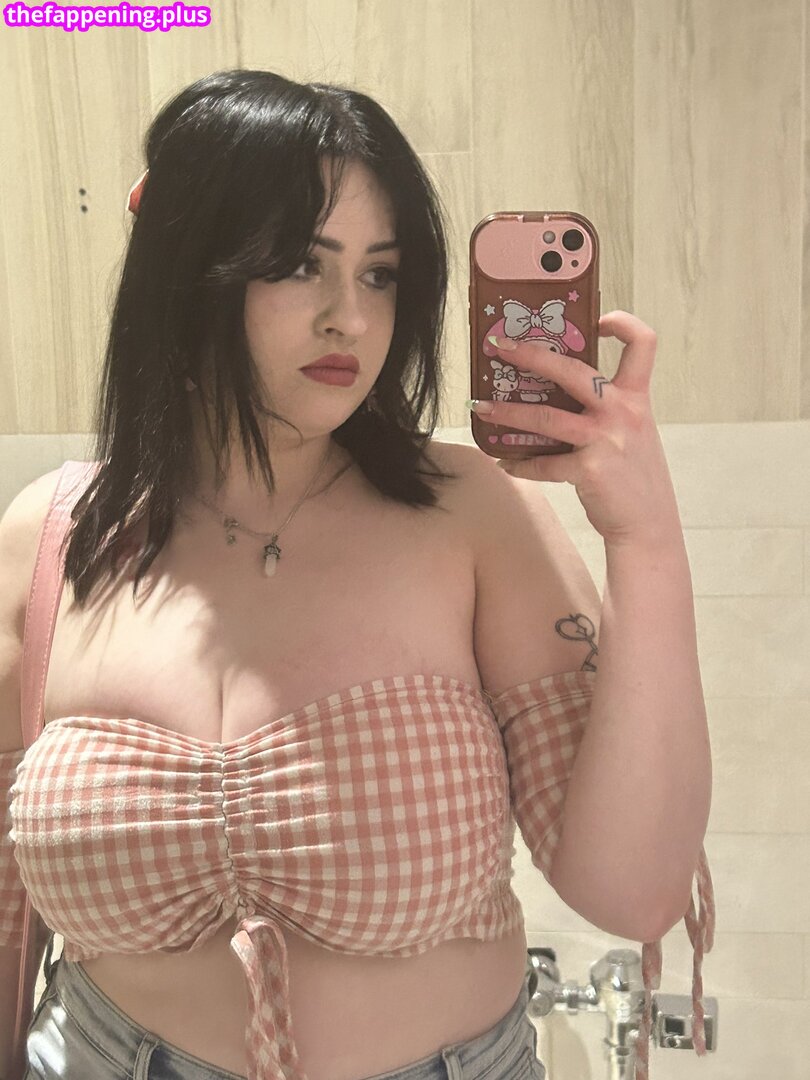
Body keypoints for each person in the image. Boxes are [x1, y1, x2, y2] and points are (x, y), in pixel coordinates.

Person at [0, 69, 713, 1080]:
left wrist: (645, 539)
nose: (351, 317)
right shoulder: (52, 538)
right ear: (187, 265)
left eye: (380, 274)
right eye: (302, 264)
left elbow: (634, 890)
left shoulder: (473, 516)